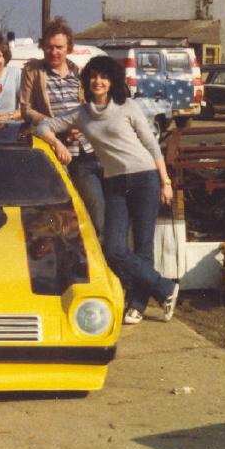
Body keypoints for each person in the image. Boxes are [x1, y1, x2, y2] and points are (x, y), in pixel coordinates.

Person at [36, 56, 179, 325]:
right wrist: (57, 143)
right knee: (113, 248)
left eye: (104, 77)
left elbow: (151, 144)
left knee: (143, 246)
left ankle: (137, 305)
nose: (98, 81)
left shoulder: (127, 107)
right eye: (93, 76)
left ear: (112, 81)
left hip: (145, 178)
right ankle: (165, 288)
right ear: (87, 81)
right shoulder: (81, 114)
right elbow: (43, 126)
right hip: (115, 183)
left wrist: (165, 182)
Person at [20, 16, 105, 235]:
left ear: (68, 48)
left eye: (59, 47)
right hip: (61, 151)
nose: (54, 52)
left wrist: (82, 124)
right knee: (74, 212)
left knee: (103, 209)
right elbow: (26, 109)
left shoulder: (79, 72)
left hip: (89, 148)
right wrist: (58, 127)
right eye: (49, 47)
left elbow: (90, 105)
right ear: (43, 47)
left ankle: (103, 251)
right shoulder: (33, 71)